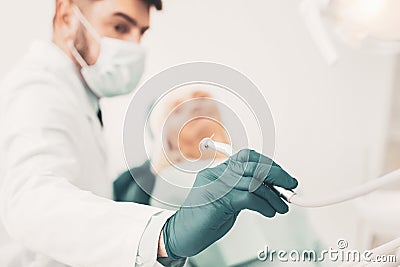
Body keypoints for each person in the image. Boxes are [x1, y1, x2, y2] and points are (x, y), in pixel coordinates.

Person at [0, 1, 298, 266]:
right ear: (66, 16)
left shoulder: (79, 105)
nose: (133, 45)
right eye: (119, 26)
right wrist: (164, 235)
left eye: (140, 32)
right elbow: (30, 202)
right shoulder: (38, 91)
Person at [115, 87, 323, 267]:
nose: (195, 107)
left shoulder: (259, 169)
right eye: (178, 109)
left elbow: (314, 245)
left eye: (201, 98)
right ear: (162, 135)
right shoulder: (164, 187)